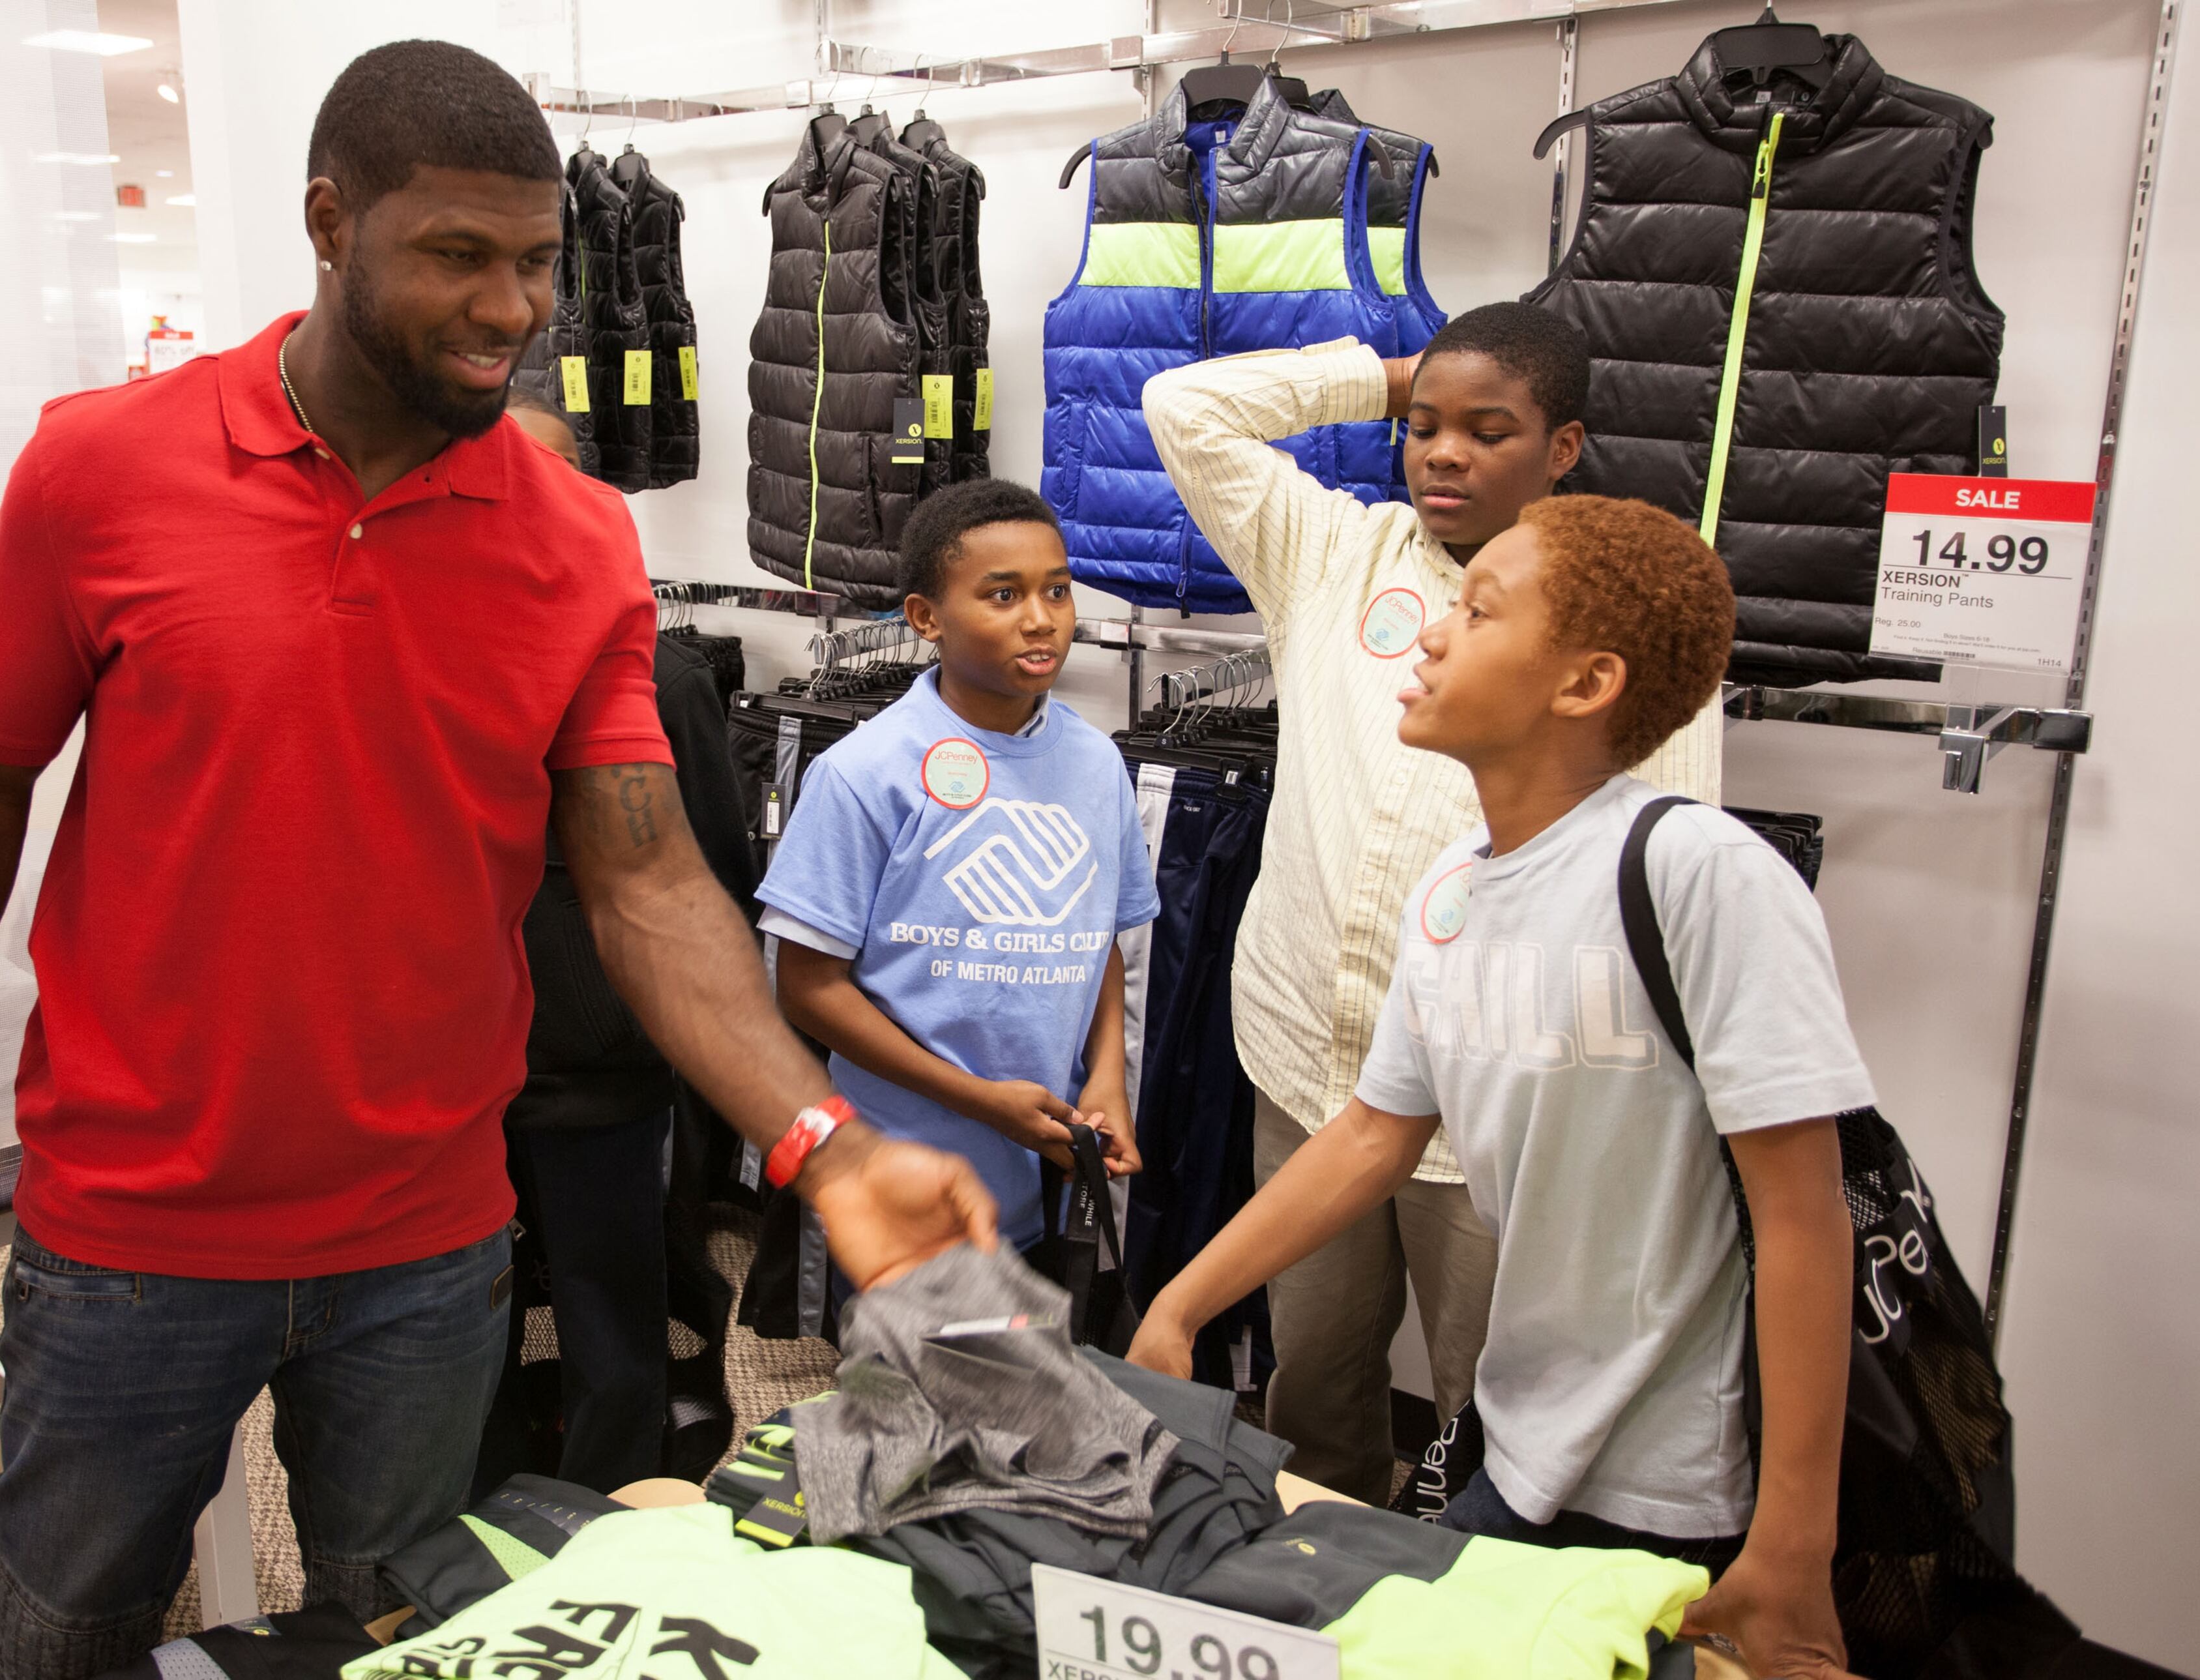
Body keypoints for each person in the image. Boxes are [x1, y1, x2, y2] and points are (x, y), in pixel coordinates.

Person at [0, 41, 993, 1680]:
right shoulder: (103, 470)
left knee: (395, 1638)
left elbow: (649, 884)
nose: (513, 309)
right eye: (457, 255)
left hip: (429, 1239)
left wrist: (819, 1139)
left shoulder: (577, 541)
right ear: (328, 221)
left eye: (535, 263)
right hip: (132, 1236)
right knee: (67, 1636)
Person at [1128, 495, 1860, 1680]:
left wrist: (1794, 1542)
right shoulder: (1453, 889)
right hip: (1513, 1453)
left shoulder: (1700, 870)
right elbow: (1371, 1133)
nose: (1430, 633)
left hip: (1681, 1494)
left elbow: (1802, 1216)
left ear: (1585, 684)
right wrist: (1183, 1303)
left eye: (1478, 611)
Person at [1141, 305, 1720, 1502]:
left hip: (1497, 1108)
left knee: (1493, 1405)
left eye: (1488, 429)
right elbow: (1183, 409)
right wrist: (1395, 374)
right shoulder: (1333, 552)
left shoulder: (1624, 627)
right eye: (1425, 429)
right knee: (1315, 1375)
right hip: (1310, 1063)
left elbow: (1652, 886)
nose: (1444, 452)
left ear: (1564, 447)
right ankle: (1317, 1569)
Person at [472, 389, 757, 1495]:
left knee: (612, 1312)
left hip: (603, 1076)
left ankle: (611, 1521)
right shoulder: (414, 656)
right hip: (457, 1079)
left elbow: (706, 887)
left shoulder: (664, 677)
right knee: (463, 1324)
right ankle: (477, 1519)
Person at [755, 479, 1159, 1255]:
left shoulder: (1097, 762)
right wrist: (979, 1101)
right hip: (905, 1166)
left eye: (1058, 590)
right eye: (1003, 595)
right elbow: (806, 989)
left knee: (1037, 1359)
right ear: (926, 618)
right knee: (904, 1372)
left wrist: (1107, 1076)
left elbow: (1098, 937)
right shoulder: (864, 773)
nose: (1041, 618)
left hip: (1049, 1151)